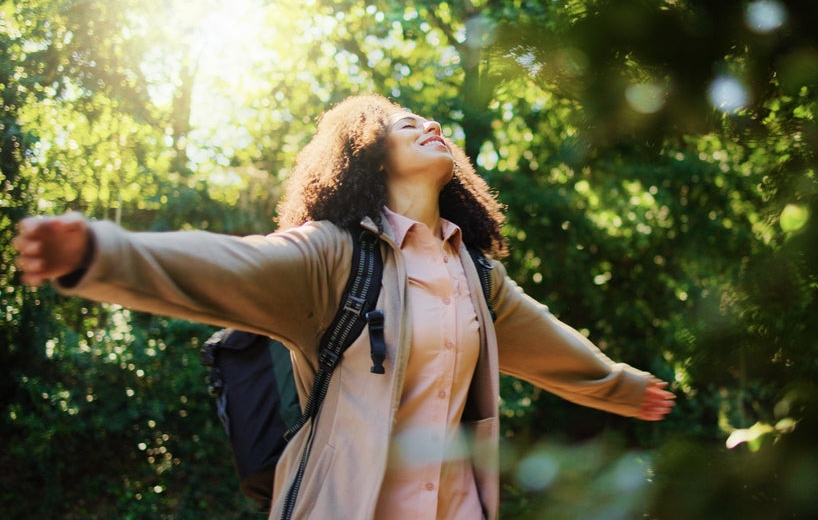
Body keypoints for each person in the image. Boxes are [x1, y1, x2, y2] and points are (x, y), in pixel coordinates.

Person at [14, 94, 677, 520]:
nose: (432, 125)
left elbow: (549, 344)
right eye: (406, 123)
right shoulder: (331, 258)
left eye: (432, 121)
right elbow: (222, 264)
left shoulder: (475, 273)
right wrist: (100, 252)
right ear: (366, 153)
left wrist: (623, 386)